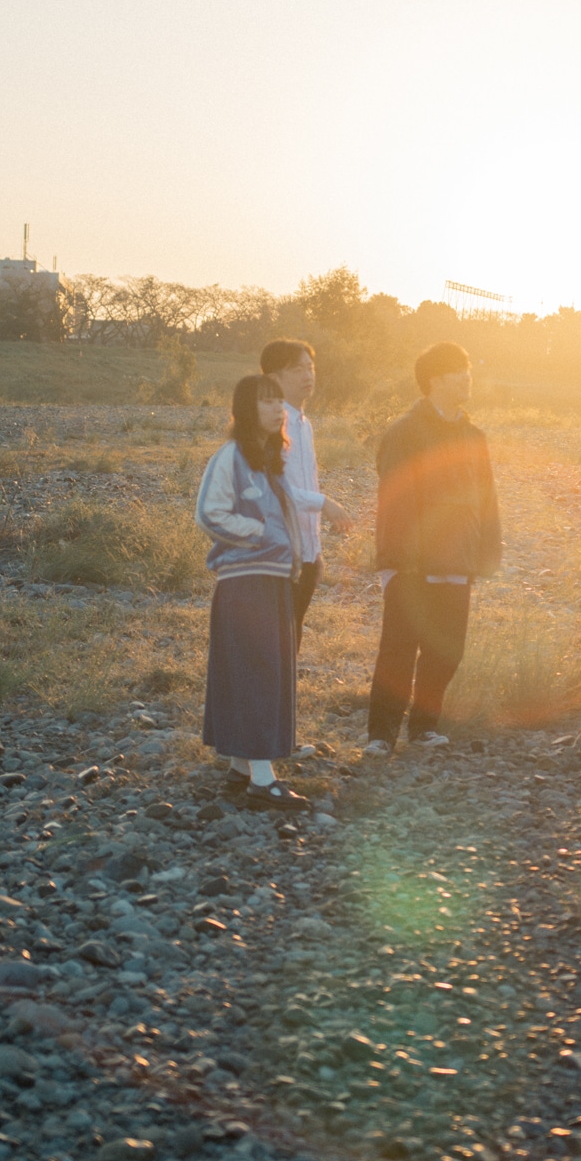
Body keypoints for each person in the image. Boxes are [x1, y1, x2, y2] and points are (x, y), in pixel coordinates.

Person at [364, 341, 501, 757]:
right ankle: (381, 734)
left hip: (457, 561)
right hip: (411, 564)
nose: (467, 376)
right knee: (399, 650)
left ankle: (424, 728)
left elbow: (486, 499)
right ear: (436, 379)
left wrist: (486, 554)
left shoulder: (472, 436)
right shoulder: (404, 432)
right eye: (459, 370)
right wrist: (397, 560)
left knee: (446, 651)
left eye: (468, 369)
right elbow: (394, 499)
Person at [194, 373, 308, 808]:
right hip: (244, 584)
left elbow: (289, 512)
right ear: (245, 409)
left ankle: (241, 767)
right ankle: (263, 777)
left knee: (260, 671)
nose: (277, 409)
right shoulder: (230, 456)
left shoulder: (268, 460)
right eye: (265, 402)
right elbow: (209, 513)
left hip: (272, 581)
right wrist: (258, 533)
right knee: (258, 672)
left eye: (279, 401)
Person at [258, 338, 353, 653]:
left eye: (310, 368)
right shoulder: (271, 423)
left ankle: (282, 700)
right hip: (280, 550)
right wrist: (324, 503)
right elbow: (276, 489)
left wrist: (315, 550)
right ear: (274, 377)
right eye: (297, 369)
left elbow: (305, 482)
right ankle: (268, 700)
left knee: (292, 631)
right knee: (275, 637)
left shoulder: (304, 423)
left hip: (307, 552)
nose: (307, 375)